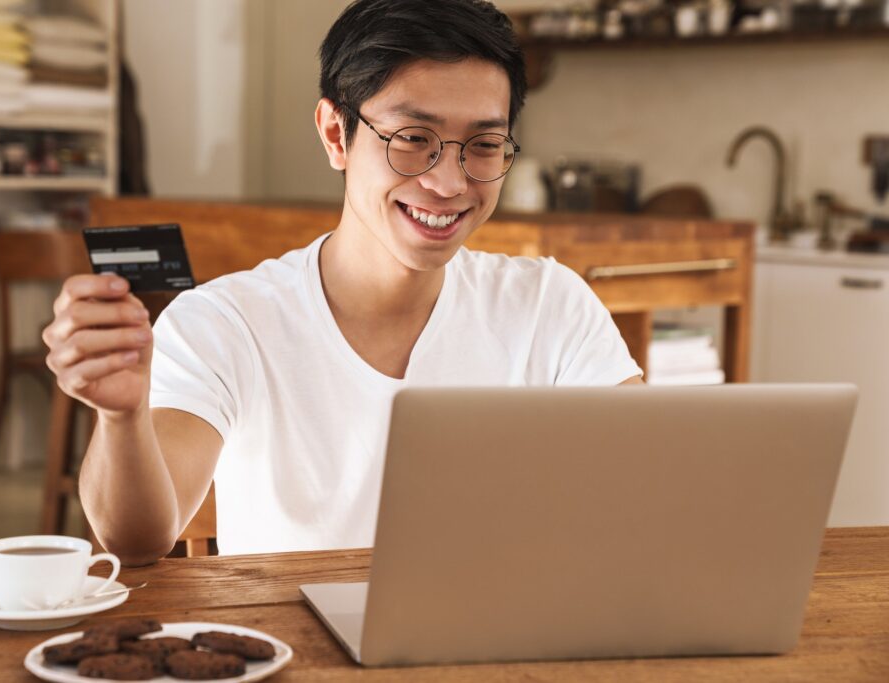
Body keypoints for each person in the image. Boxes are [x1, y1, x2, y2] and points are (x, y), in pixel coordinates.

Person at [42, 0, 643, 565]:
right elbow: (138, 542)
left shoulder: (550, 306)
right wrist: (122, 420)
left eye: (483, 146)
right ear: (337, 134)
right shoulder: (224, 324)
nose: (449, 182)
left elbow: (655, 487)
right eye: (413, 139)